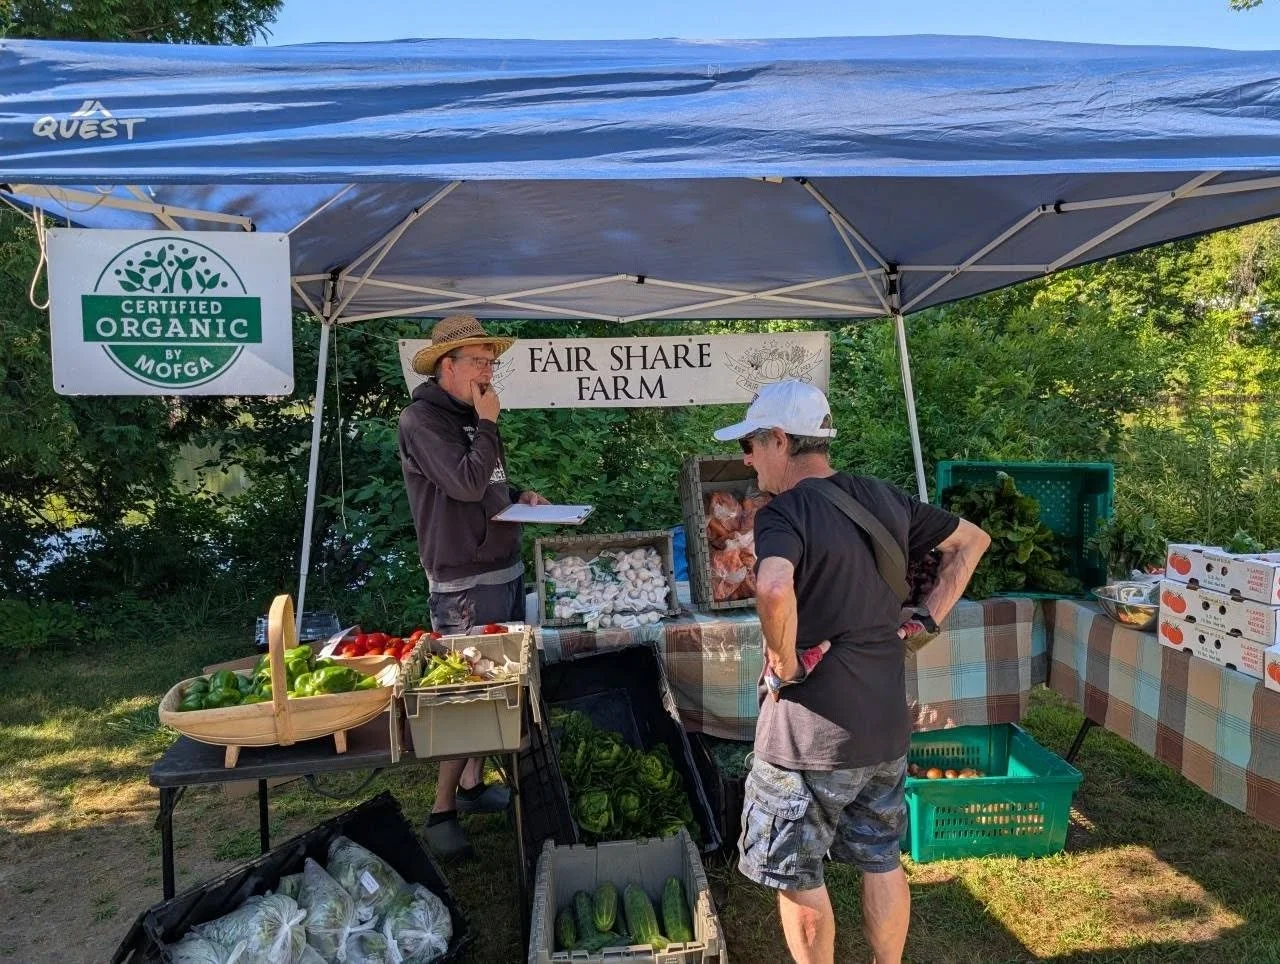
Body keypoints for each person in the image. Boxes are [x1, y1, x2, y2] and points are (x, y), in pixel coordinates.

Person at [713, 380, 990, 964]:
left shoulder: (784, 512)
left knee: (796, 870)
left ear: (780, 441)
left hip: (806, 737)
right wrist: (925, 621)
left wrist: (786, 663)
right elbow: (972, 542)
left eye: (750, 444)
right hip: (884, 725)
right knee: (881, 857)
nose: (745, 458)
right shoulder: (882, 496)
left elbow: (771, 585)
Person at [397, 313, 550, 859]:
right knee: (463, 695)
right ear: (447, 365)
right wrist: (487, 426)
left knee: (498, 688)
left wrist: (519, 499)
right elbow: (462, 483)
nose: (489, 372)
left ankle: (471, 785)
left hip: (502, 564)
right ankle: (440, 812)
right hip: (464, 579)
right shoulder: (422, 421)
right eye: (479, 362)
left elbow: (484, 483)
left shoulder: (473, 414)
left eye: (491, 362)